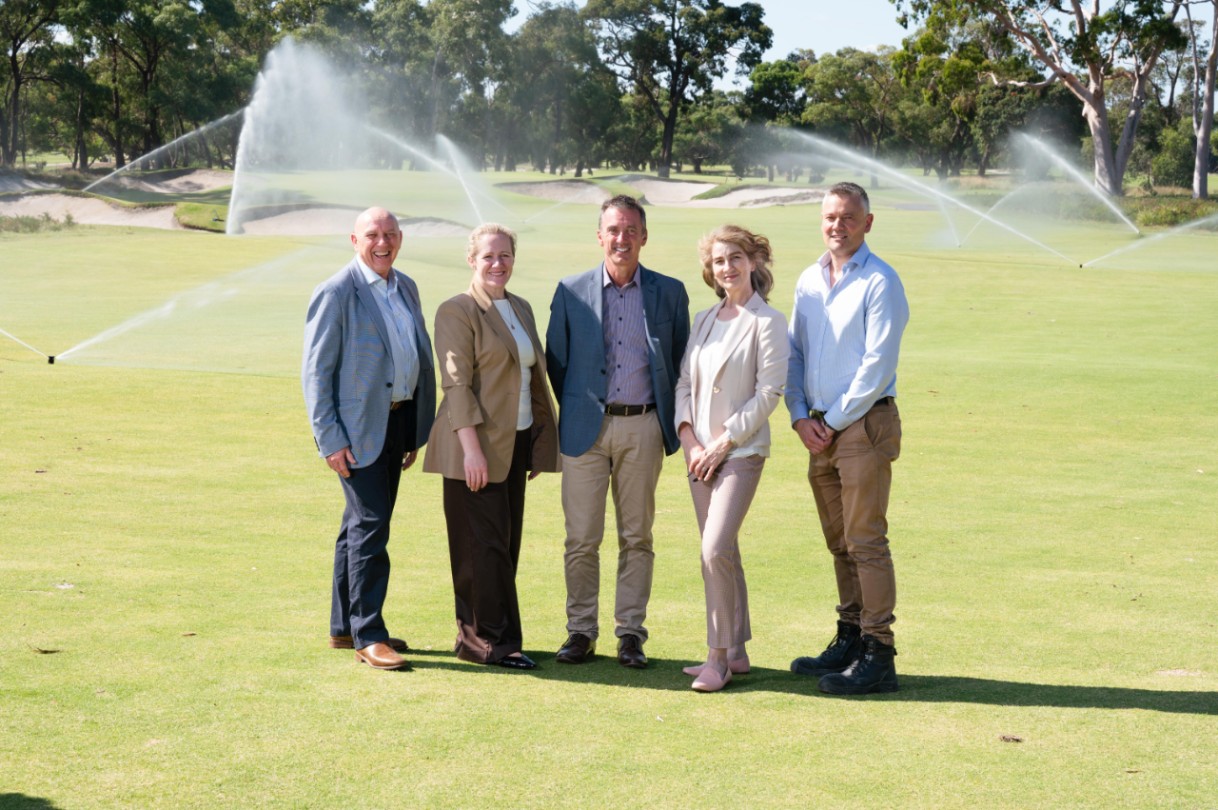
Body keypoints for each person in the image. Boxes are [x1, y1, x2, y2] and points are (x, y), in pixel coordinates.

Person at [545, 195, 690, 668]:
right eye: (613, 230)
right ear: (599, 236)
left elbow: (680, 361)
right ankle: (580, 632)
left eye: (630, 230)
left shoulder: (670, 292)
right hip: (584, 431)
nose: (621, 238)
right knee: (581, 538)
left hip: (643, 427)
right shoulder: (570, 291)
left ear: (644, 236)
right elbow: (557, 363)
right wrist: (582, 407)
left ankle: (630, 634)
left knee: (637, 536)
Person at [785, 181, 910, 694]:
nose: (837, 225)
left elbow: (877, 365)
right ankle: (851, 636)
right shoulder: (809, 280)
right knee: (839, 543)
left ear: (867, 223)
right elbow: (795, 353)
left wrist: (832, 421)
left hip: (862, 425)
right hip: (819, 428)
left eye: (848, 217)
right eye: (830, 217)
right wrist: (799, 416)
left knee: (865, 540)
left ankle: (878, 653)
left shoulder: (881, 281)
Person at [303, 207, 437, 672]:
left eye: (391, 234)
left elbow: (413, 356)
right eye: (373, 235)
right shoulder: (336, 292)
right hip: (356, 432)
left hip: (397, 423)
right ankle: (369, 635)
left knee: (357, 526)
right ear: (354, 240)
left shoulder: (406, 286)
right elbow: (316, 373)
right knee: (371, 527)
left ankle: (344, 627)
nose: (383, 242)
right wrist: (329, 439)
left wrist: (414, 427)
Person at [423, 223, 560, 670]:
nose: (497, 263)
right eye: (488, 256)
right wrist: (472, 450)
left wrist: (537, 441)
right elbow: (456, 385)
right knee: (482, 548)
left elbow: (530, 379)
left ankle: (479, 635)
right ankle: (491, 643)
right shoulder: (457, 310)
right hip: (473, 447)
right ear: (471, 260)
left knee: (504, 543)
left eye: (505, 255)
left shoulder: (520, 307)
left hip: (515, 443)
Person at [675, 225, 789, 693]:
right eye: (719, 261)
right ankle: (738, 651)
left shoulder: (769, 321)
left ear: (754, 261)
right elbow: (684, 383)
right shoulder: (703, 319)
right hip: (698, 456)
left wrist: (723, 443)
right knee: (724, 551)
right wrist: (689, 439)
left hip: (740, 452)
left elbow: (769, 393)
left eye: (735, 258)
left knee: (714, 549)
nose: (727, 267)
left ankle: (717, 658)